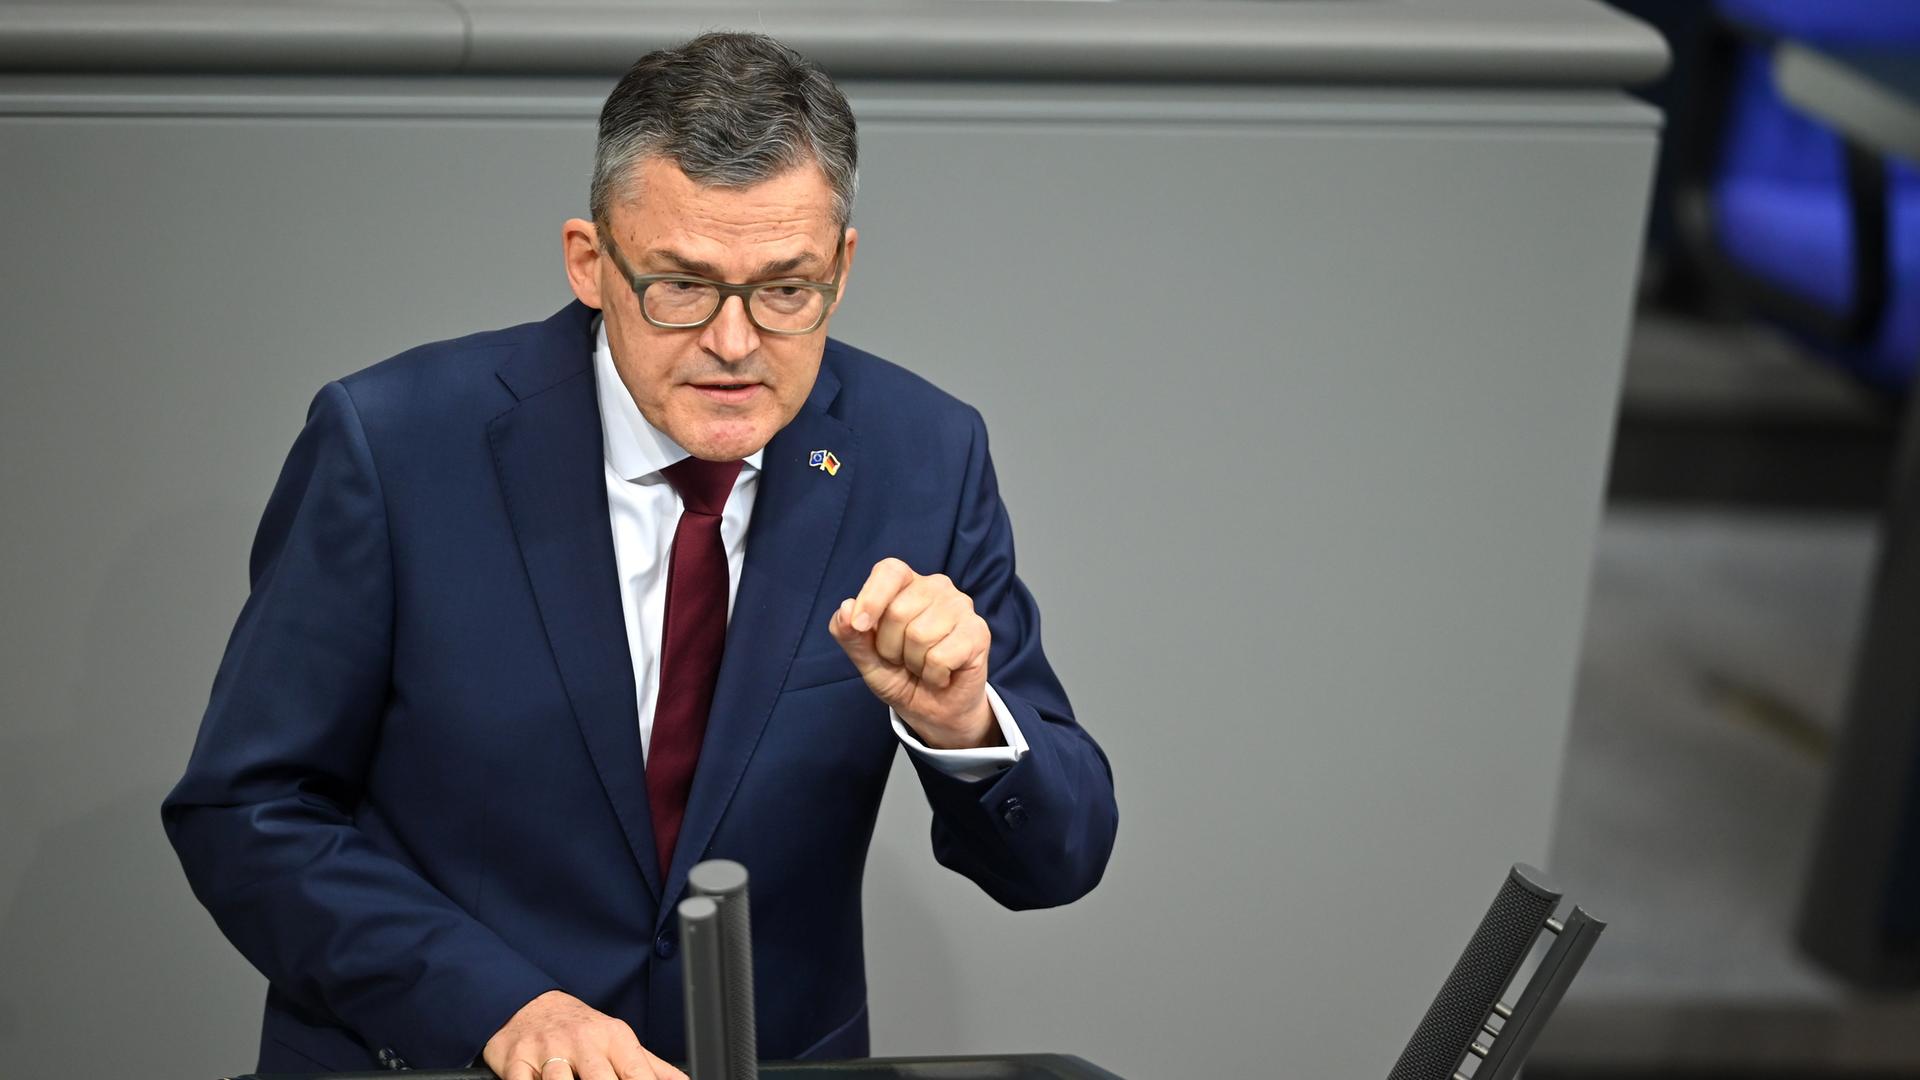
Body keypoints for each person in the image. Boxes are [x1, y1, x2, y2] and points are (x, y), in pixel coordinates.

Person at [162, 30, 1117, 1079]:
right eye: (681, 287)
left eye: (785, 290)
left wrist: (964, 725)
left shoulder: (921, 455)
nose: (735, 343)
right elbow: (248, 813)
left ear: (841, 270)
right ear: (590, 260)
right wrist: (502, 1007)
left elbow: (1058, 857)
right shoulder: (393, 445)